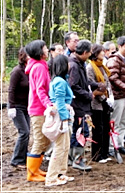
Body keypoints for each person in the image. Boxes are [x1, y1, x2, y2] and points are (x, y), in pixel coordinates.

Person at [68, 40, 106, 170]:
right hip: (78, 105)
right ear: (84, 52)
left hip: (82, 104)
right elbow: (73, 86)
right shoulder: (73, 66)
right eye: (89, 52)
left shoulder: (80, 64)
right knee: (81, 131)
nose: (90, 54)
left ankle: (74, 158)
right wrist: (89, 95)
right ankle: (77, 159)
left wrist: (95, 85)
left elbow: (84, 82)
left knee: (78, 131)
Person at [25, 40, 53, 182]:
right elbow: (40, 90)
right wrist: (48, 105)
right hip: (38, 109)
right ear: (40, 52)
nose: (48, 50)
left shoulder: (40, 66)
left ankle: (36, 169)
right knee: (39, 140)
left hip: (40, 108)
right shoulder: (39, 68)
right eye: (45, 48)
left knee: (45, 140)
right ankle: (31, 173)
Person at [45, 54, 74, 187]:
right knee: (59, 147)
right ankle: (51, 177)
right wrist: (65, 119)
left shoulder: (61, 80)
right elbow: (60, 102)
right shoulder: (60, 82)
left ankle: (61, 173)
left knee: (65, 146)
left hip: (63, 114)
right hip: (61, 116)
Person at [106, 36, 125, 156]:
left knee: (123, 121)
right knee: (115, 122)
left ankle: (120, 143)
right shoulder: (114, 60)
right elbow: (113, 77)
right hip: (118, 95)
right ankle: (112, 146)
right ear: (120, 47)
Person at [86, 44, 114, 163]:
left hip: (106, 102)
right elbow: (92, 85)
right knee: (98, 128)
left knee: (106, 127)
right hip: (96, 103)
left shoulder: (102, 66)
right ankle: (96, 155)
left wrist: (110, 96)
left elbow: (107, 83)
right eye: (101, 51)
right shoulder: (90, 68)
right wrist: (104, 98)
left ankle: (104, 152)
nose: (104, 53)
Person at [8, 47, 30, 169]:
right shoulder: (17, 71)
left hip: (26, 106)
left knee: (27, 132)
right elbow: (11, 89)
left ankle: (24, 158)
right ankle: (16, 160)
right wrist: (11, 106)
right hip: (17, 106)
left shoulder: (29, 70)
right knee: (24, 132)